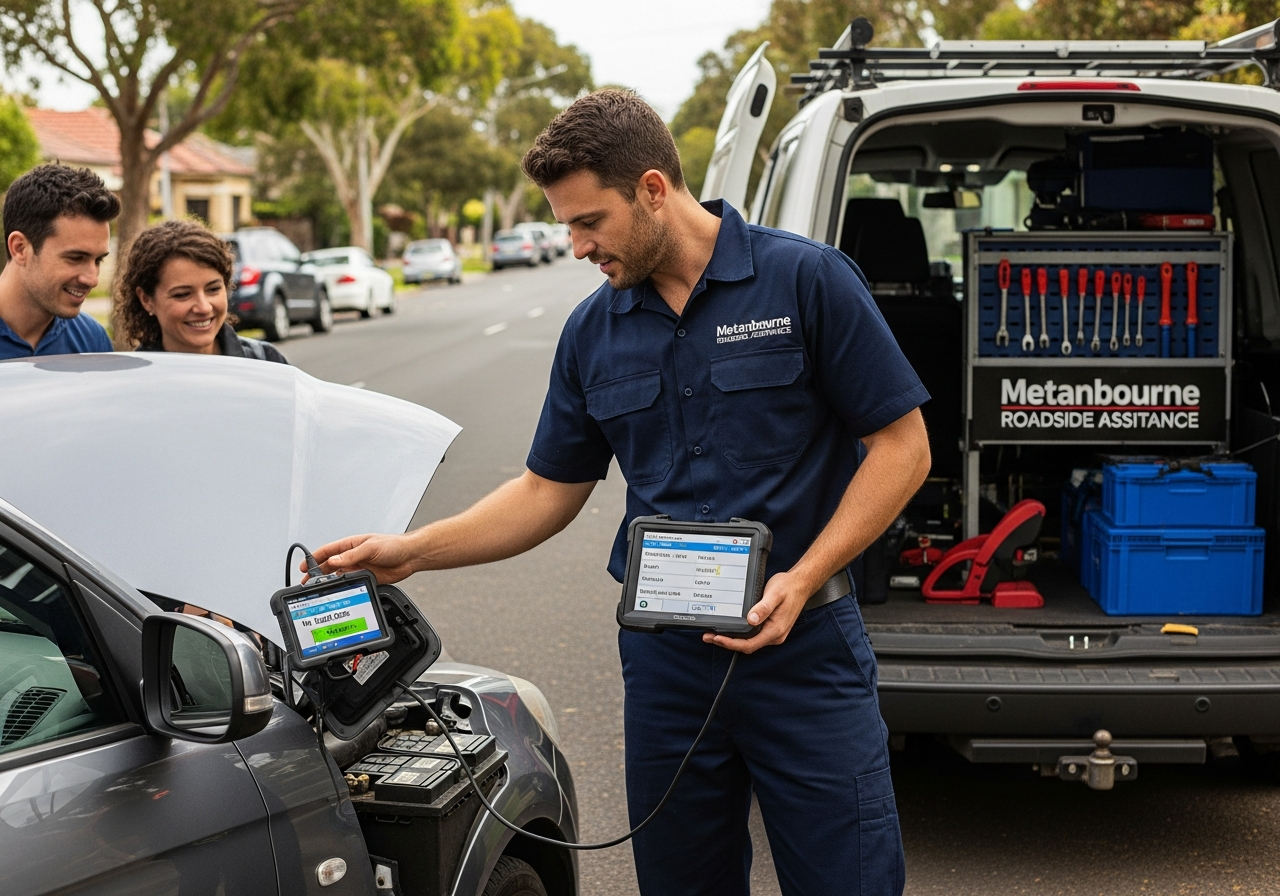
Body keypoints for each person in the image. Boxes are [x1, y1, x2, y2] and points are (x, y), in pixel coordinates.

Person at [312, 89, 930, 896]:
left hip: (802, 649)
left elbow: (901, 447)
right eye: (566, 225)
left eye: (588, 221)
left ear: (651, 188)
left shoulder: (806, 280)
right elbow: (545, 489)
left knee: (847, 878)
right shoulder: (592, 332)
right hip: (667, 664)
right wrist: (411, 552)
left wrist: (805, 575)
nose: (574, 246)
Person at [114, 218, 286, 362]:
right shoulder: (134, 383)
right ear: (146, 300)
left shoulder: (266, 362)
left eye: (213, 289)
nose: (204, 308)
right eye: (182, 295)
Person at [0, 165, 119, 360]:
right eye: (75, 258)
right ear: (20, 248)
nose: (91, 279)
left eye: (98, 260)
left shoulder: (91, 341)